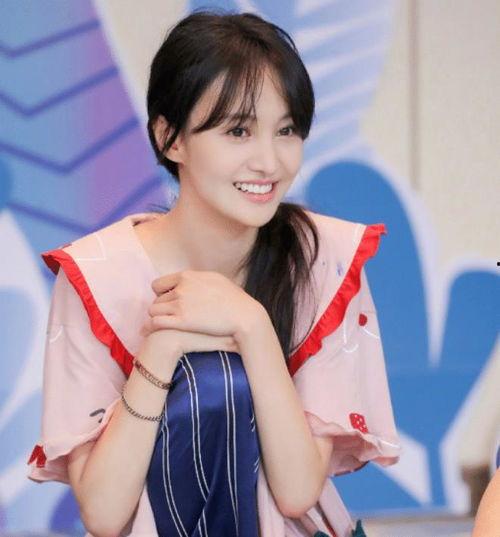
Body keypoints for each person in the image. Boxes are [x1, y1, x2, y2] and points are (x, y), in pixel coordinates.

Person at [27, 9, 401, 537]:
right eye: (239, 131)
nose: (269, 162)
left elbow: (297, 491)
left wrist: (250, 325)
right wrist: (162, 346)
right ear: (170, 138)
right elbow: (104, 514)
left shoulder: (324, 259)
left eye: (286, 130)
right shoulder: (97, 274)